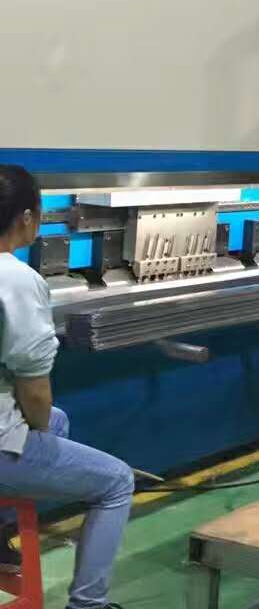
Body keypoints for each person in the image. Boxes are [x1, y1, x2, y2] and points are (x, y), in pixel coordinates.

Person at [0, 165, 134, 609]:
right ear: (26, 218)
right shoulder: (16, 280)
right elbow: (35, 392)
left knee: (58, 421)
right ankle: (88, 605)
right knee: (116, 482)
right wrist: (33, 434)